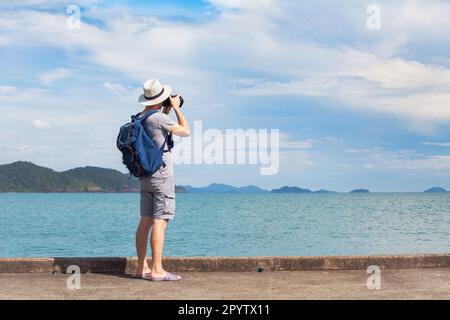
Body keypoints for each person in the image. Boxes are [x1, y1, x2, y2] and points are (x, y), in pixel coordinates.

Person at [134, 79, 190, 281]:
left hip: (145, 176)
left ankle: (142, 268)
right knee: (161, 221)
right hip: (162, 175)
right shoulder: (159, 118)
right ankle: (157, 270)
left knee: (145, 220)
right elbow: (186, 131)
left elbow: (157, 132)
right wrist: (176, 108)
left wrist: (165, 109)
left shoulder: (140, 118)